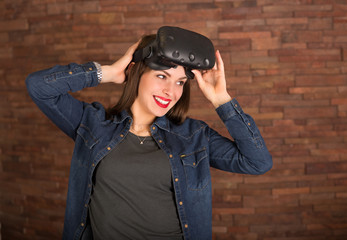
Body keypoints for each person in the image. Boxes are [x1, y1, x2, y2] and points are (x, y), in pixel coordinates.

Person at [26, 26, 272, 240]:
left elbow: (257, 162)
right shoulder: (92, 125)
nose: (170, 91)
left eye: (180, 82)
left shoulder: (194, 136)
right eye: (162, 76)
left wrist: (221, 99)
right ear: (136, 71)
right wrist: (108, 72)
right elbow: (38, 86)